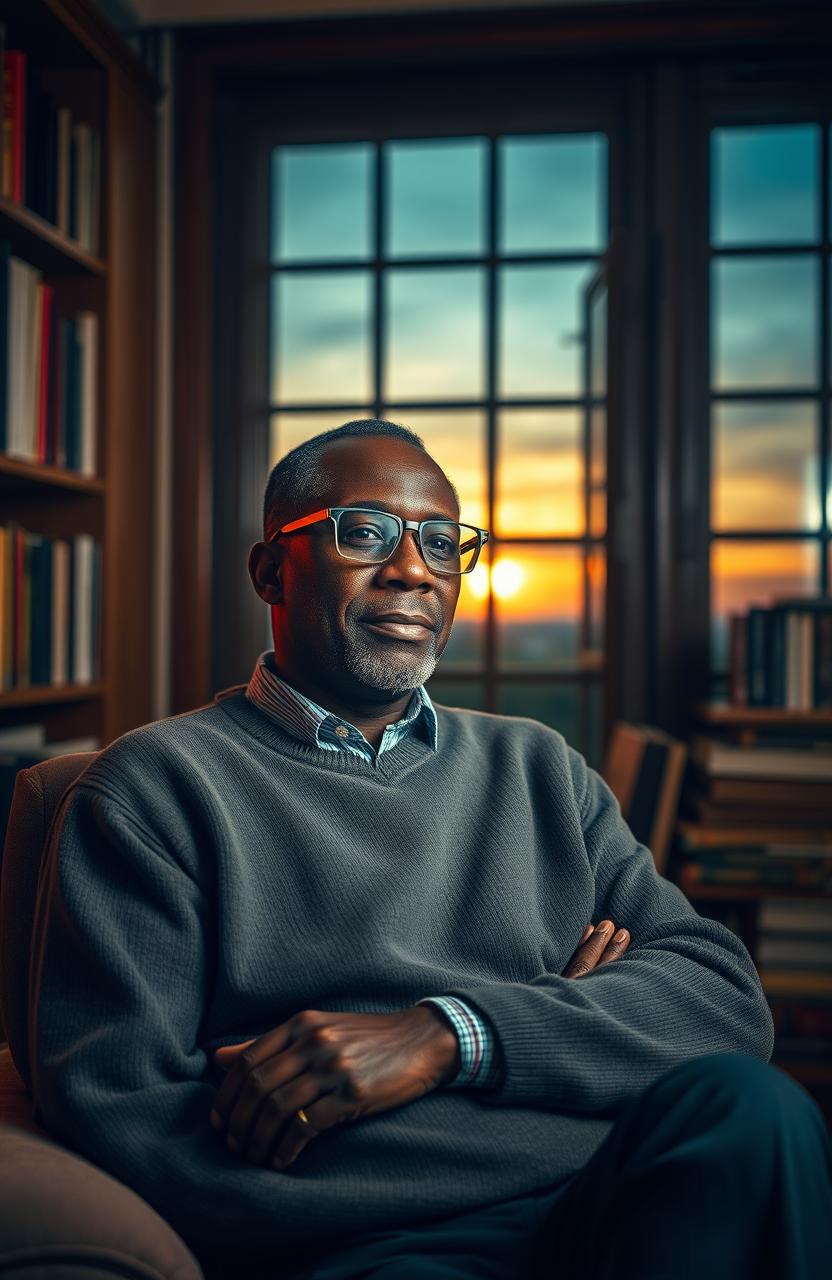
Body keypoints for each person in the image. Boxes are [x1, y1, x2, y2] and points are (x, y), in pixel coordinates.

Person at [29, 419, 832, 1280]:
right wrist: (572, 1036)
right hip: (373, 1247)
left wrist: (449, 1038)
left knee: (751, 1108)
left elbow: (722, 1003)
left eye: (443, 543)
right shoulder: (152, 790)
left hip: (604, 1195)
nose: (413, 569)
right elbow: (135, 1122)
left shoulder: (539, 767)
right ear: (270, 569)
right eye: (364, 532)